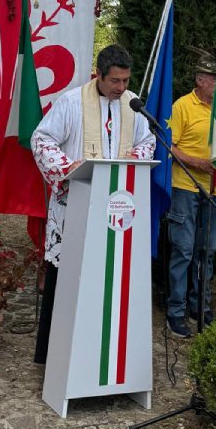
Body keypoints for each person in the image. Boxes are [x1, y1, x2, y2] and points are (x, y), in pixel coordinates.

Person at [31, 43, 155, 363]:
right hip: (77, 201)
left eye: (126, 80)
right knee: (67, 279)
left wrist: (137, 155)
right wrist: (67, 167)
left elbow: (147, 140)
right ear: (99, 75)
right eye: (115, 81)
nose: (121, 88)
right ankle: (56, 354)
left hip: (116, 207)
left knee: (108, 277)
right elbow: (41, 139)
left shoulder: (132, 105)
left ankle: (100, 350)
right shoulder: (72, 102)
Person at [165, 52, 216, 336]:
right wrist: (197, 163)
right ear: (200, 80)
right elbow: (169, 146)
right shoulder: (182, 105)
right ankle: (176, 311)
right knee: (183, 250)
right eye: (214, 79)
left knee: (208, 250)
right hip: (186, 185)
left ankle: (200, 307)